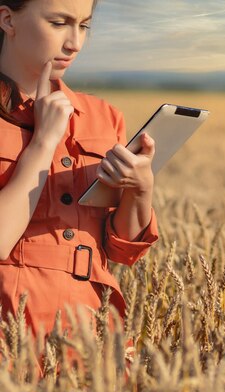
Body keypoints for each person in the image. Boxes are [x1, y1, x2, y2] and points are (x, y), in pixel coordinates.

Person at [0, 0, 159, 363]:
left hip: (93, 330)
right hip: (12, 333)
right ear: (7, 19)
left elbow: (122, 251)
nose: (75, 42)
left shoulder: (102, 117)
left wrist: (141, 188)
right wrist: (43, 143)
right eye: (59, 23)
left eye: (84, 26)